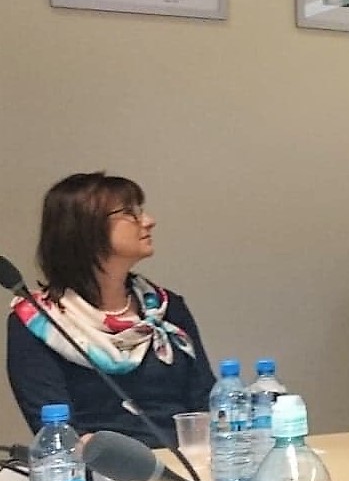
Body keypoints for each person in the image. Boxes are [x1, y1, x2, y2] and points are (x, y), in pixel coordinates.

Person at [8, 173, 214, 447]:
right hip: (101, 467)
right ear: (85, 228)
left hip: (188, 462)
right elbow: (57, 432)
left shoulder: (166, 307)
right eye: (130, 212)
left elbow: (205, 401)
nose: (148, 221)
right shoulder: (39, 321)